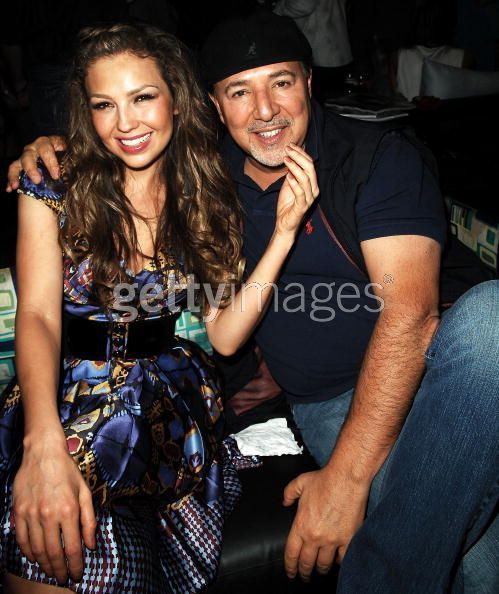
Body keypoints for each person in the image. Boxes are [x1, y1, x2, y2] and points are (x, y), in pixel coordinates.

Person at [7, 12, 498, 594]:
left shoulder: (225, 187)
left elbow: (398, 317)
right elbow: (38, 313)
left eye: (281, 82)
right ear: (214, 105)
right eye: (240, 91)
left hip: (201, 404)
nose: (264, 110)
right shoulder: (135, 178)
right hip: (91, 400)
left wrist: (285, 232)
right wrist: (45, 145)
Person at [0, 22, 318, 594]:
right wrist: (42, 440)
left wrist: (284, 234)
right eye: (104, 104)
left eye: (143, 97)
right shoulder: (52, 184)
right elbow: (39, 317)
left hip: (167, 403)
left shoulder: (204, 192)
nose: (124, 123)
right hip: (64, 396)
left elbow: (225, 336)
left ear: (176, 96)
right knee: (55, 543)